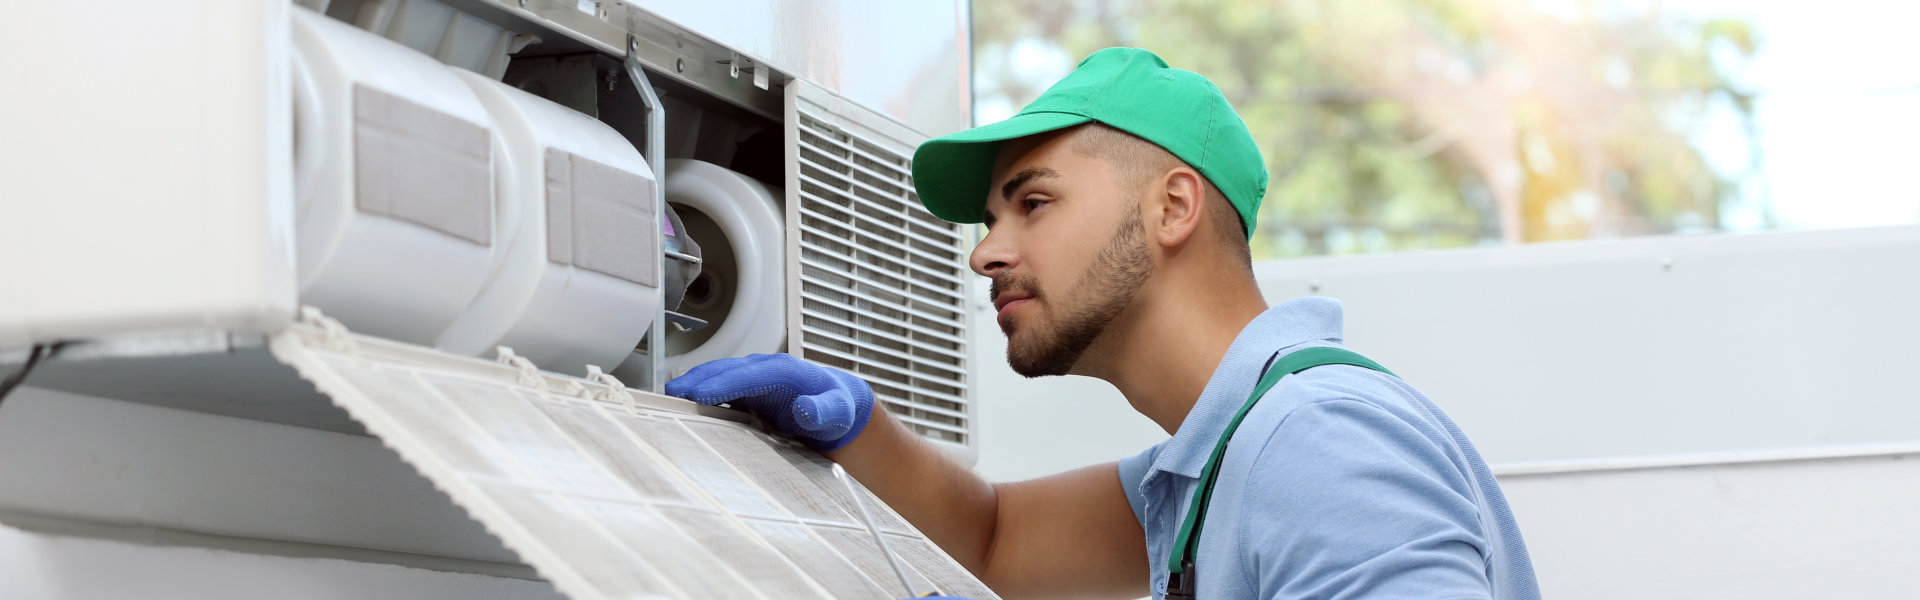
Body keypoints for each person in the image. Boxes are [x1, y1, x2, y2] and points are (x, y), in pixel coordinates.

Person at [667, 48, 1541, 600]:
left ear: (1172, 207)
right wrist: (858, 427)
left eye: (1032, 203)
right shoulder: (1209, 468)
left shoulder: (1317, 444)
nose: (984, 255)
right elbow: (995, 543)